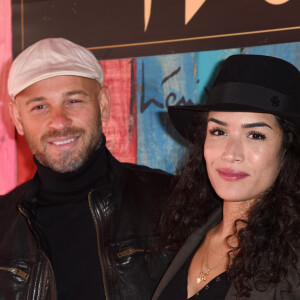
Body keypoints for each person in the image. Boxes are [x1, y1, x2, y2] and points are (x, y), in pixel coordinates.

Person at [0, 38, 173, 300]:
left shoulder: (173, 203)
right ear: (17, 119)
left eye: (74, 101)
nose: (59, 122)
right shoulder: (2, 224)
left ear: (103, 103)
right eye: (39, 107)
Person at [153, 54, 300, 299]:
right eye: (218, 131)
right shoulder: (190, 232)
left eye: (255, 135)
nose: (230, 154)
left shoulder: (293, 256)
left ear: (287, 150)